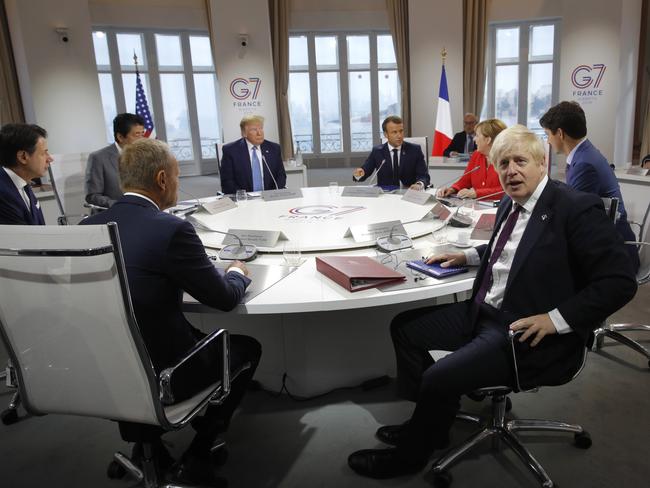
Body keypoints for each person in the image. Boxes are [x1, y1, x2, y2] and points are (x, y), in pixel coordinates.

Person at [347, 125, 637, 480]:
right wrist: (467, 255)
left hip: (521, 329)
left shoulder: (574, 208)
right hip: (482, 312)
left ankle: (409, 456)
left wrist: (556, 319)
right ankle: (430, 425)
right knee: (406, 329)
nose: (511, 170)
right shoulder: (509, 202)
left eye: (520, 161)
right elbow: (514, 251)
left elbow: (619, 281)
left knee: (439, 377)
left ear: (541, 163)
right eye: (503, 163)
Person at [81, 138, 261, 487]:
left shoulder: (86, 229)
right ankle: (199, 451)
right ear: (162, 180)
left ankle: (145, 445)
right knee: (245, 349)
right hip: (165, 373)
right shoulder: (170, 229)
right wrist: (237, 272)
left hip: (106, 370)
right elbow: (224, 298)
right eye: (178, 177)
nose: (179, 185)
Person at [540, 101, 640, 271]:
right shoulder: (584, 154)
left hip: (614, 254)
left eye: (548, 134)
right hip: (608, 240)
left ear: (560, 133)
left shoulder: (584, 164)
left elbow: (572, 214)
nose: (548, 141)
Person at [85, 113, 145, 209]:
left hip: (143, 211)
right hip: (113, 215)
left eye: (142, 134)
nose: (142, 139)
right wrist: (120, 205)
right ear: (120, 137)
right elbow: (92, 196)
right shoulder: (98, 158)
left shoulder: (144, 156)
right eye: (137, 135)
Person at [353, 115, 430, 190]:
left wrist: (419, 184)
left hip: (409, 194)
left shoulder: (415, 150)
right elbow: (364, 172)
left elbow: (424, 176)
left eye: (401, 131)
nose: (399, 135)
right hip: (386, 196)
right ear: (386, 134)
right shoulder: (377, 152)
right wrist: (358, 174)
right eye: (394, 132)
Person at [436, 118, 506, 200]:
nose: (474, 139)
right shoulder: (477, 155)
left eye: (477, 135)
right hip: (476, 207)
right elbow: (465, 180)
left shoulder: (507, 159)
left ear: (488, 140)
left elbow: (506, 190)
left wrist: (476, 193)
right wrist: (452, 189)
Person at [0, 123, 53, 225]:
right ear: (23, 157)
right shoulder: (3, 193)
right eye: (44, 153)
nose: (50, 159)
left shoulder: (23, 182)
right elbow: (23, 238)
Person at [220, 115, 286, 194]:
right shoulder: (231, 151)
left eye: (261, 128)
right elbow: (227, 181)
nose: (259, 133)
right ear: (244, 133)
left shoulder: (274, 148)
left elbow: (281, 176)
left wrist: (274, 193)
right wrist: (243, 196)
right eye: (254, 130)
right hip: (243, 200)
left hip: (269, 197)